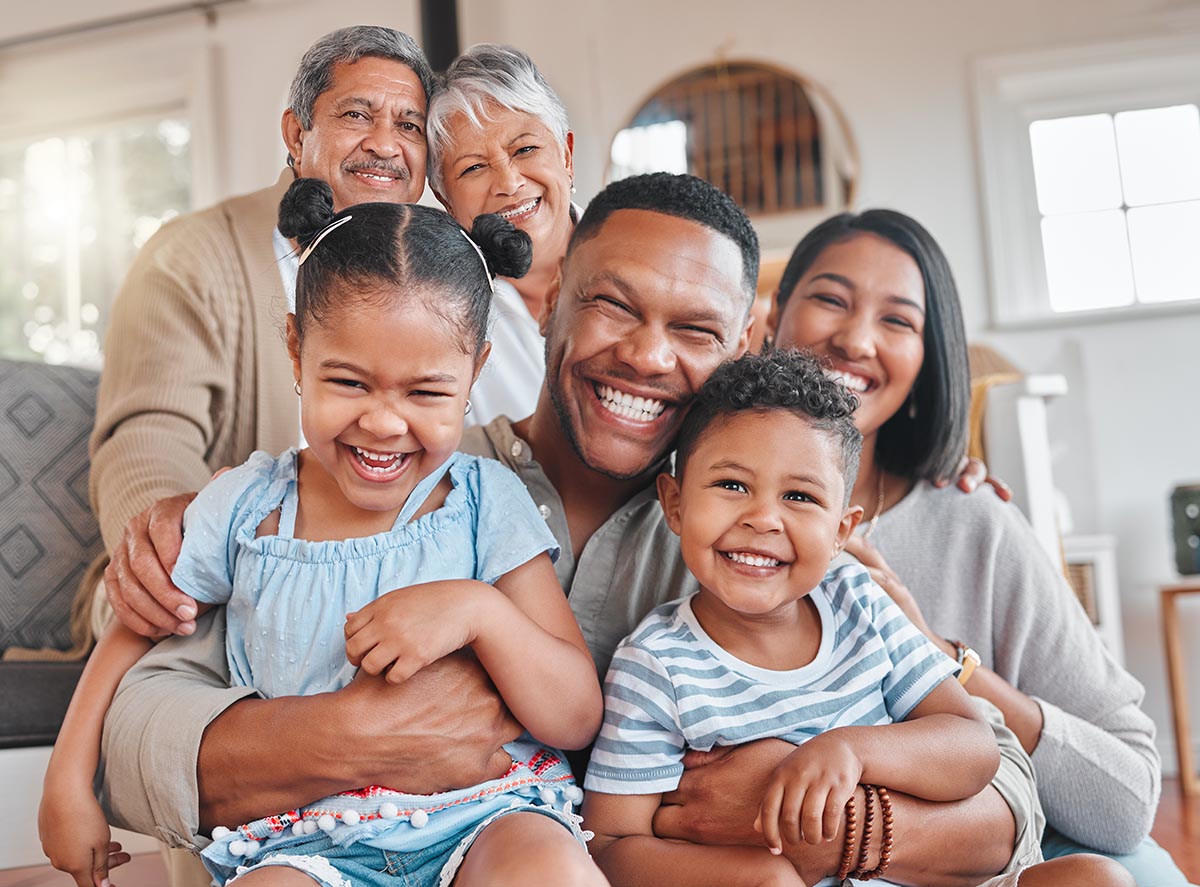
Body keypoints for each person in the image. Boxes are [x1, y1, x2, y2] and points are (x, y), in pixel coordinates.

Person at [103, 174, 1042, 886]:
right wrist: (353, 737)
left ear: (744, 347)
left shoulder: (762, 543)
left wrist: (827, 826)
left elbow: (1009, 788)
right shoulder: (401, 463)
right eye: (613, 305)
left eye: (695, 328)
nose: (646, 354)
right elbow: (134, 732)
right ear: (548, 303)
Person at [42, 179, 607, 887]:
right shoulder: (245, 505)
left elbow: (575, 713)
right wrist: (66, 780)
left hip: (487, 814)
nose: (383, 422)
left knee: (550, 872)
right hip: (308, 839)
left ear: (475, 373)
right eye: (349, 382)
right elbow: (134, 628)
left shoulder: (485, 500)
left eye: (426, 391)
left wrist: (478, 610)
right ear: (295, 347)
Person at [754, 209, 1184, 886]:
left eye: (897, 320)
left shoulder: (971, 520)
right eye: (830, 299)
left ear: (928, 357)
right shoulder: (701, 525)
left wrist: (943, 659)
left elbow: (1126, 800)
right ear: (772, 314)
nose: (856, 338)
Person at [91, 25, 434, 641]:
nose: (386, 144)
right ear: (296, 133)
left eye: (409, 125)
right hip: (208, 589)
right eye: (358, 114)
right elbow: (144, 434)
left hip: (375, 592)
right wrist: (165, 531)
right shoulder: (192, 254)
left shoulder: (433, 271)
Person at [426, 43, 579, 426]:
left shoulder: (641, 253)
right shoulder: (442, 316)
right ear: (446, 201)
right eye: (474, 168)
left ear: (566, 156)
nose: (509, 183)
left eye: (525, 149)